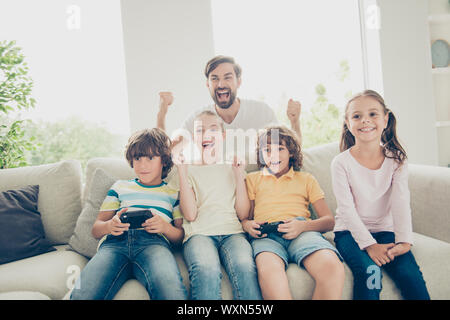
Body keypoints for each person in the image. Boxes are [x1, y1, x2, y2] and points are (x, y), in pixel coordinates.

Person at [331, 89, 430, 300]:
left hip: (387, 230)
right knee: (371, 274)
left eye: (373, 114)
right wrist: (370, 245)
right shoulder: (340, 163)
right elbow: (346, 210)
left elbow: (401, 202)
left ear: (385, 119)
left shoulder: (397, 160)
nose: (365, 121)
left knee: (410, 276)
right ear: (348, 123)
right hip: (349, 233)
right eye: (357, 116)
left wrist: (404, 241)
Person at [70, 128, 187, 300]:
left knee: (171, 292)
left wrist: (164, 227)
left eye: (150, 158)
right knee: (83, 294)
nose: (142, 165)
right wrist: (110, 226)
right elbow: (96, 229)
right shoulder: (119, 187)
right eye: (137, 158)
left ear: (164, 160)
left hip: (154, 244)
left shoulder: (172, 192)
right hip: (114, 244)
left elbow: (180, 236)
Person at [242, 125, 345, 300]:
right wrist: (247, 225)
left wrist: (303, 226)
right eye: (267, 150)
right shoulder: (252, 179)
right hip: (267, 236)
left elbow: (329, 221)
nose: (273, 155)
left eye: (280, 149)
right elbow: (246, 217)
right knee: (269, 273)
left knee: (332, 268)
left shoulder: (306, 179)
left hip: (302, 232)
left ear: (291, 152)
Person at [170, 110, 262, 300]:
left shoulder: (233, 166)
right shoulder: (188, 169)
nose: (206, 135)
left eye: (212, 129)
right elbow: (190, 215)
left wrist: (238, 175)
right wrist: (182, 172)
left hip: (233, 232)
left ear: (223, 136)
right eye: (200, 131)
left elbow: (243, 214)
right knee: (205, 269)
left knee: (244, 266)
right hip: (199, 234)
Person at [157, 55, 302, 139]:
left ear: (238, 82)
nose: (220, 84)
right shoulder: (197, 119)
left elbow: (292, 153)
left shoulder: (262, 112)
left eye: (227, 77)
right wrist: (162, 112)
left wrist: (294, 122)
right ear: (207, 85)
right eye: (214, 78)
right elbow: (166, 152)